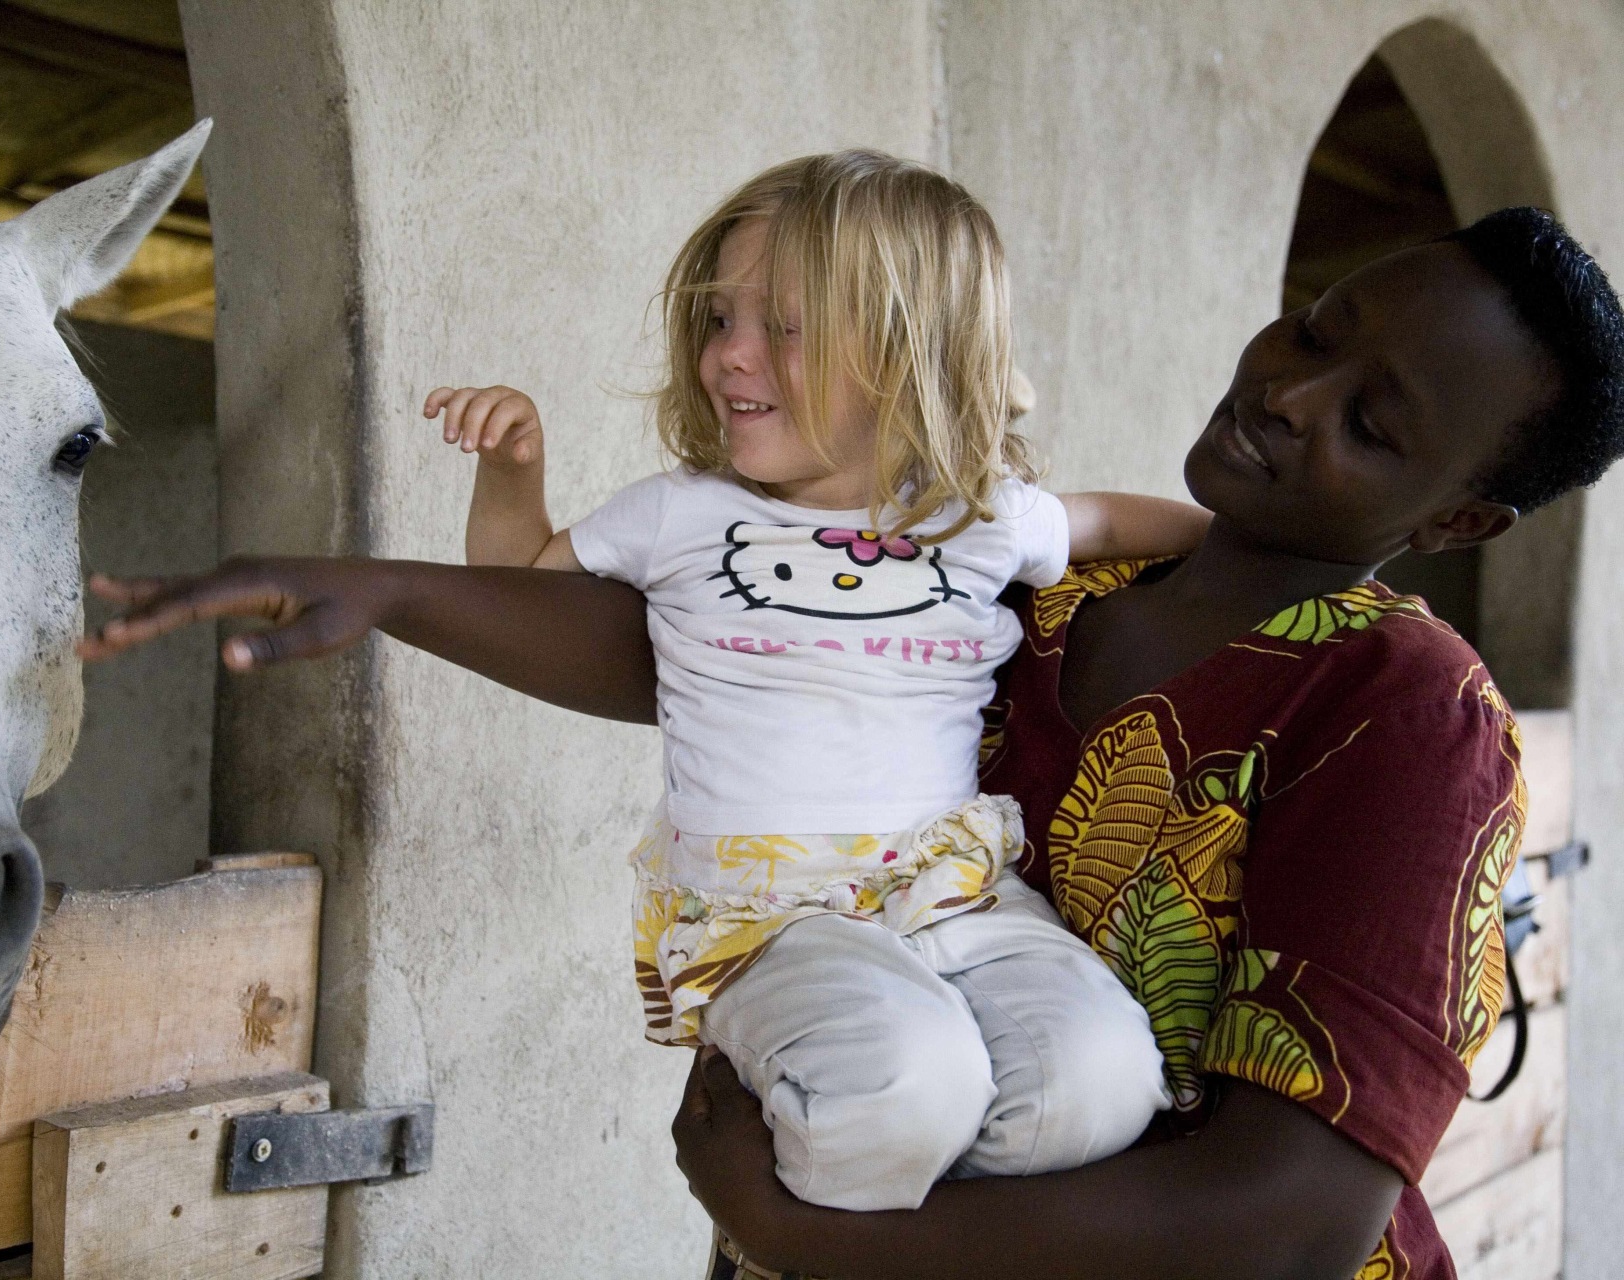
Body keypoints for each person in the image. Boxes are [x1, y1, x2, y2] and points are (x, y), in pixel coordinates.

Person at [78, 204, 1624, 1277]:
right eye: (1310, 330)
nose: (1289, 391)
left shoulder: (1403, 713)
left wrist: (817, 1240)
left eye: (1373, 422)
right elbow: (726, 655)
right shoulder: (1060, 588)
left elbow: (1288, 1224)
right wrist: (393, 592)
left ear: (1459, 521)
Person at [415, 151, 1210, 1212]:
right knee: (907, 1080)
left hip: (957, 887)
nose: (729, 357)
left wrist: (1278, 556)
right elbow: (518, 582)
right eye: (716, 320)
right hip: (766, 914)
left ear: (909, 350)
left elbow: (1103, 521)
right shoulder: (679, 512)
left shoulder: (976, 512)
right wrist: (512, 469)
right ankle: (815, 1232)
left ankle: (923, 1236)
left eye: (781, 327)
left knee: (1101, 1076)